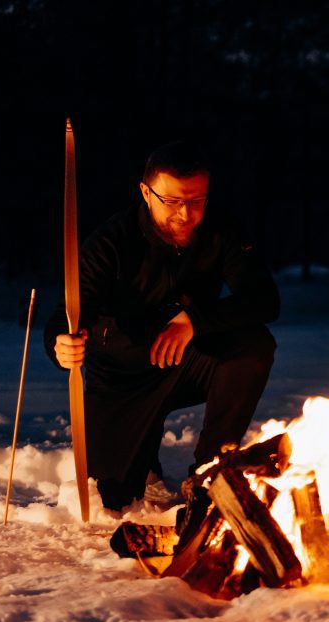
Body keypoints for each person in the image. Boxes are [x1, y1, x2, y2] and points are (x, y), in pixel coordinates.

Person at [45, 141, 279, 511]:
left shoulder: (221, 230)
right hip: (123, 376)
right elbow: (68, 314)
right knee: (114, 499)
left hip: (187, 360)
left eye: (197, 200)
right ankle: (141, 454)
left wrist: (194, 320)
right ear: (145, 192)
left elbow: (264, 299)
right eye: (172, 201)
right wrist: (60, 344)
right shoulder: (110, 242)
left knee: (253, 346)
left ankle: (209, 474)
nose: (185, 214)